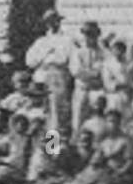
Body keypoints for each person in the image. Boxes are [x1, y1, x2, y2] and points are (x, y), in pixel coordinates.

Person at [25, 9, 75, 142]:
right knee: (39, 113)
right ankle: (36, 148)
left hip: (58, 77)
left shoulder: (67, 40)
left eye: (54, 21)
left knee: (55, 115)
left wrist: (51, 58)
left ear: (59, 22)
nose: (52, 24)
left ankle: (52, 149)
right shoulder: (41, 41)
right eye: (48, 22)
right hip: (41, 78)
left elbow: (68, 60)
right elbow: (30, 61)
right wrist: (46, 53)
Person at [70, 21, 106, 135]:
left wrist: (96, 73)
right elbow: (76, 71)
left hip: (98, 90)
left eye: (92, 34)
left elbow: (107, 70)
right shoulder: (78, 52)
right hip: (82, 90)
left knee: (98, 119)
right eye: (87, 34)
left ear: (97, 35)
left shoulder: (104, 52)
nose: (89, 37)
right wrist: (94, 74)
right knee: (78, 120)